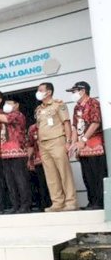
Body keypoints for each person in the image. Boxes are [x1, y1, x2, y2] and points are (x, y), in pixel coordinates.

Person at [35, 82, 77, 212]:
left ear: (49, 92)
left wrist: (68, 141)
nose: (38, 92)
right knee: (51, 174)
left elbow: (66, 123)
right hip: (44, 144)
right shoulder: (39, 109)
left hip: (57, 140)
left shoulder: (59, 104)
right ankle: (57, 202)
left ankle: (71, 202)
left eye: (41, 90)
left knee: (64, 172)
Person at [68, 81, 107, 210]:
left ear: (83, 91)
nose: (73, 94)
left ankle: (100, 202)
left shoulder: (93, 103)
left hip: (94, 144)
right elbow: (74, 127)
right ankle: (92, 201)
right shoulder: (76, 107)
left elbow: (95, 122)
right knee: (87, 175)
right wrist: (73, 144)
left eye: (74, 92)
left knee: (97, 175)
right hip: (82, 146)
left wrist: (83, 139)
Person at [27, 124, 51, 211]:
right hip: (38, 159)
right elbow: (30, 145)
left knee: (52, 182)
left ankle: (55, 203)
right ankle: (43, 205)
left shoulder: (50, 124)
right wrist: (29, 160)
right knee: (41, 183)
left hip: (51, 158)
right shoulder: (32, 128)